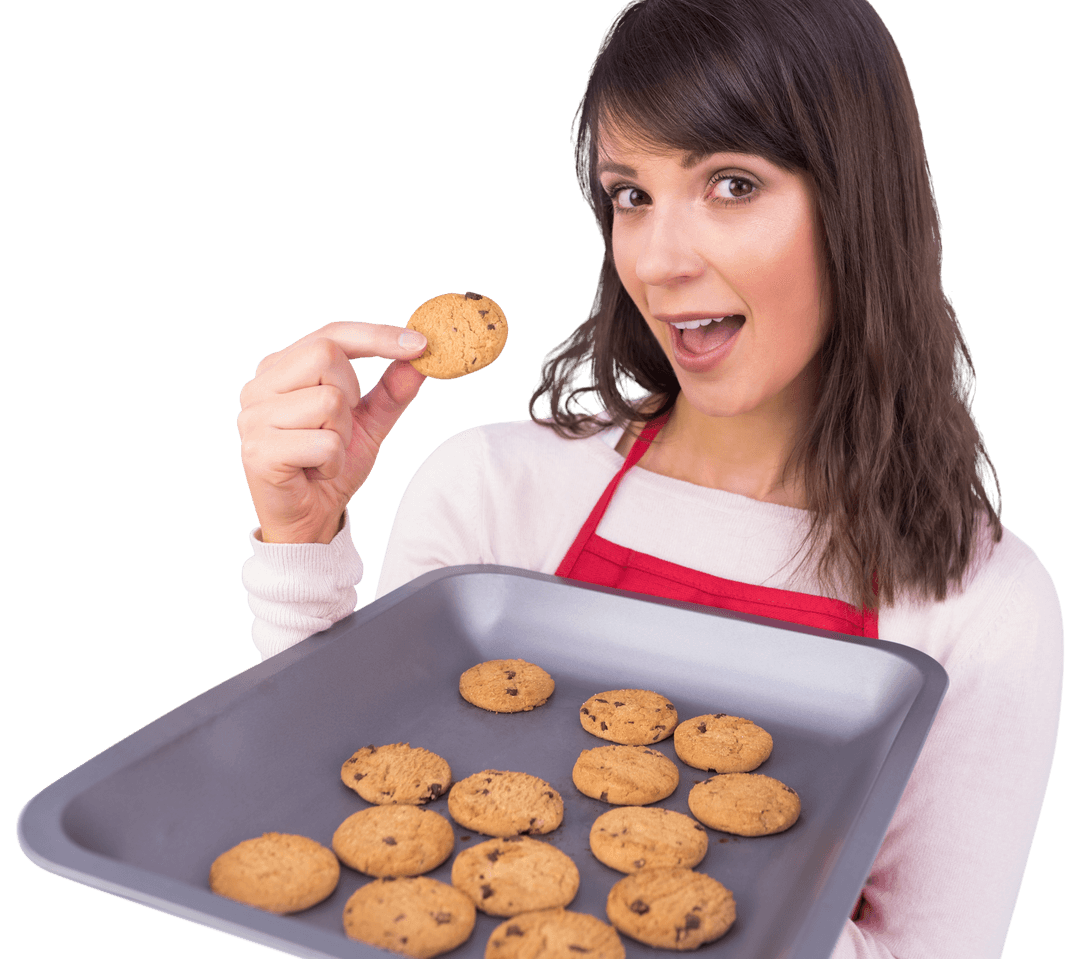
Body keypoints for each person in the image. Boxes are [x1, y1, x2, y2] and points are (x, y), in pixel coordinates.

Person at [236, 0, 1063, 956]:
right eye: (631, 194)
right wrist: (303, 542)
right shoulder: (492, 494)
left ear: (854, 202)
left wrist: (692, 892)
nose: (661, 260)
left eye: (732, 184)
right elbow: (358, 837)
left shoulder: (982, 605)